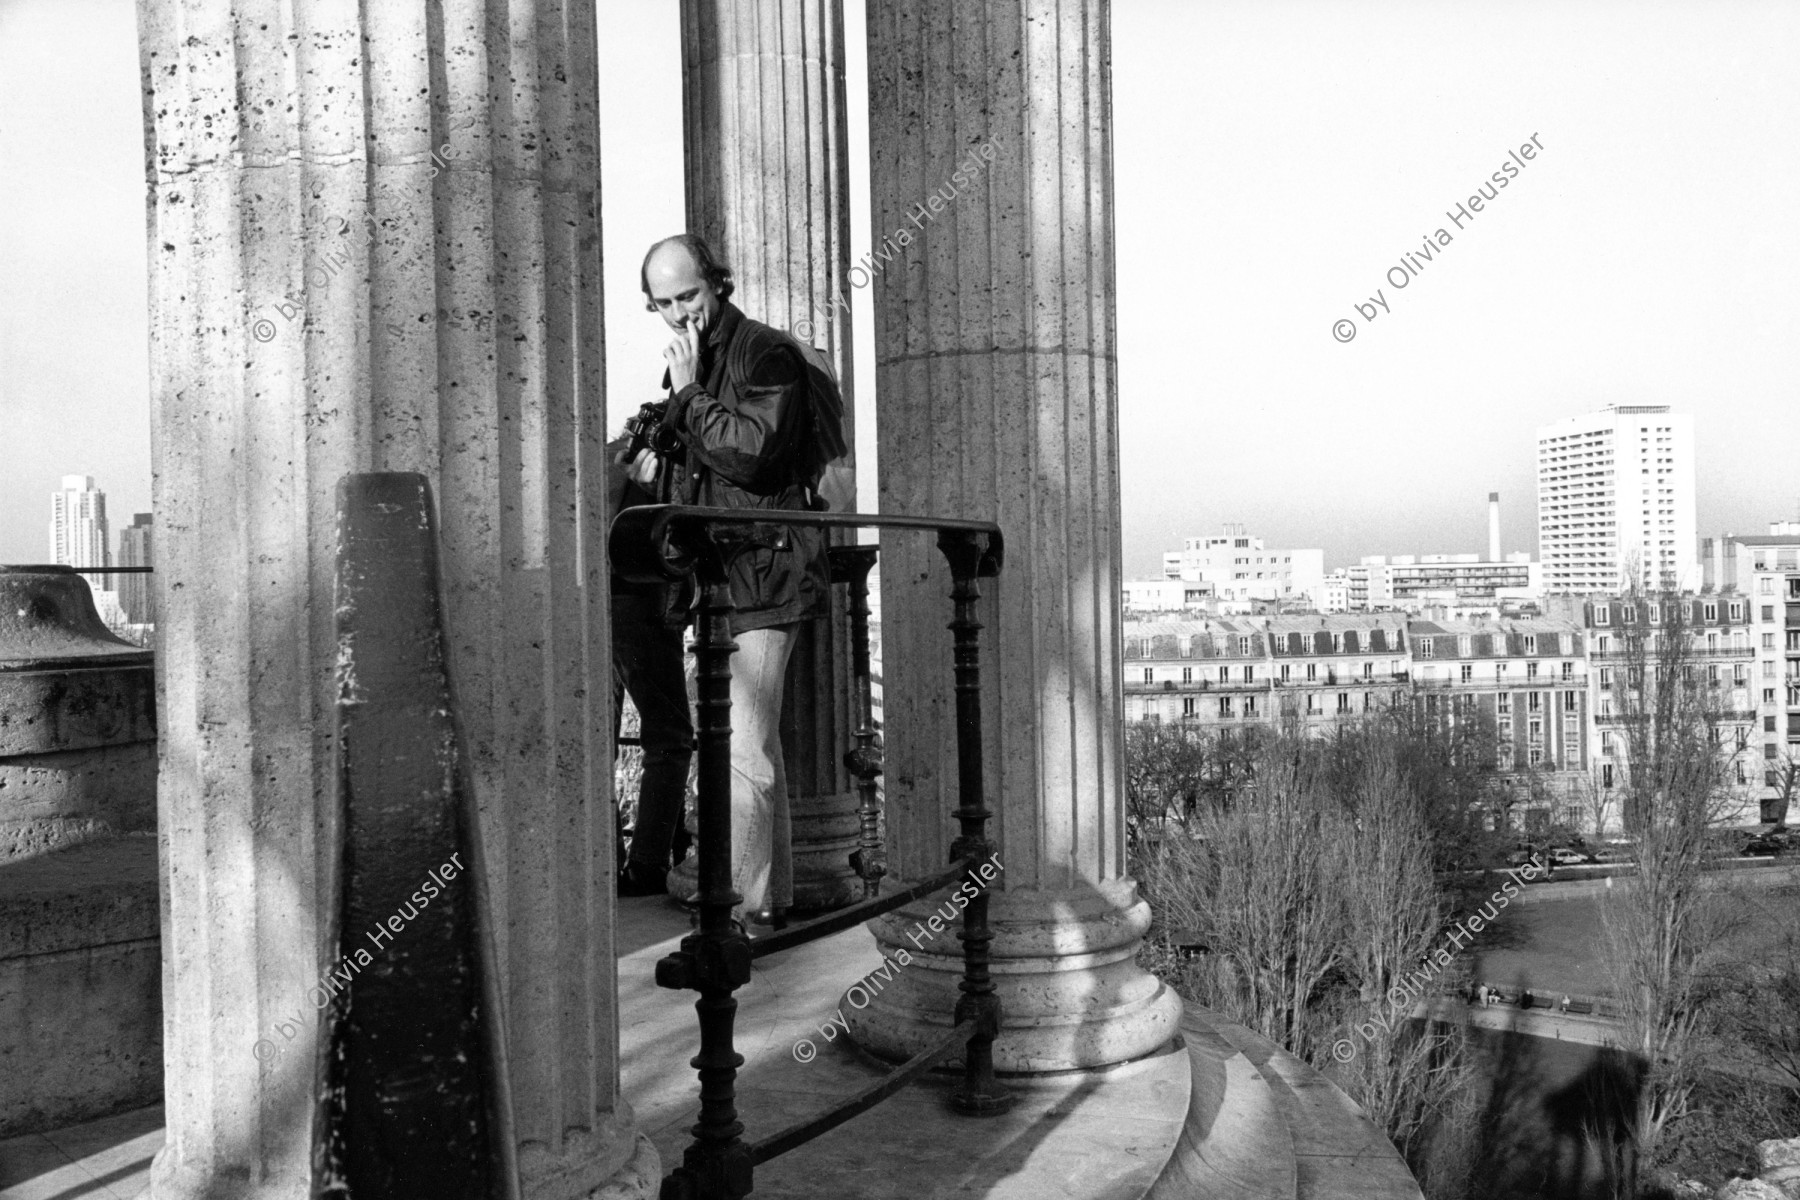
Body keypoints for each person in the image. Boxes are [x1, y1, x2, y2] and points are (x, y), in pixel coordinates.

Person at [625, 233, 837, 926]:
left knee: (743, 750)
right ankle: (767, 897)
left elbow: (751, 453)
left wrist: (687, 395)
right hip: (729, 573)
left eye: (689, 295)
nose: (680, 314)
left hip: (765, 568)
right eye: (664, 304)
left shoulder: (764, 351)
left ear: (717, 282)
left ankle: (736, 907)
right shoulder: (703, 359)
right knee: (756, 747)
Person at [609, 434, 695, 898]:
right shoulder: (656, 473)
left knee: (594, 740)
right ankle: (646, 863)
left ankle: (604, 864)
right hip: (639, 605)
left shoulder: (604, 461)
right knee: (671, 737)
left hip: (593, 601)